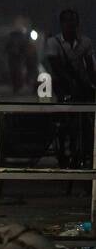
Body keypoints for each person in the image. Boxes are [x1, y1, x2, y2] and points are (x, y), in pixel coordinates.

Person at [43, 9, 96, 168]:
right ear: (62, 24)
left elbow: (91, 65)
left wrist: (91, 83)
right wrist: (69, 84)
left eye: (73, 21)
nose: (71, 25)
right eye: (67, 21)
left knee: (87, 119)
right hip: (63, 88)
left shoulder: (85, 42)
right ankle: (64, 151)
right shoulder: (54, 43)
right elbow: (56, 67)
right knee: (65, 121)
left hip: (82, 87)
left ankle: (86, 150)